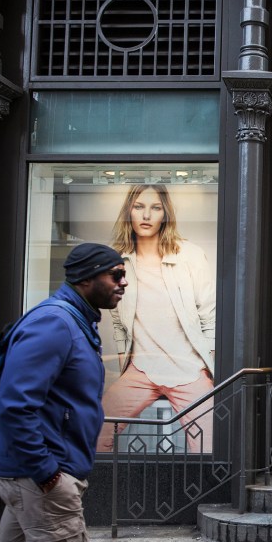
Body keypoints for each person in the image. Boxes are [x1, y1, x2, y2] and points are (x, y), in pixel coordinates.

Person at [0, 243, 127, 542]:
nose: (123, 283)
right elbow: (14, 405)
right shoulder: (55, 323)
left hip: (30, 477)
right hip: (38, 479)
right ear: (86, 278)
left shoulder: (75, 320)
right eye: (116, 275)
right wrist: (46, 472)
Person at [96, 184, 216, 454]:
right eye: (139, 207)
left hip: (189, 370)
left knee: (209, 448)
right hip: (141, 370)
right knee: (96, 434)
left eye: (155, 208)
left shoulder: (190, 255)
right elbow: (118, 321)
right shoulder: (118, 260)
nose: (147, 215)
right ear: (129, 211)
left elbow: (210, 317)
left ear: (165, 214)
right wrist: (126, 363)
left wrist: (206, 366)